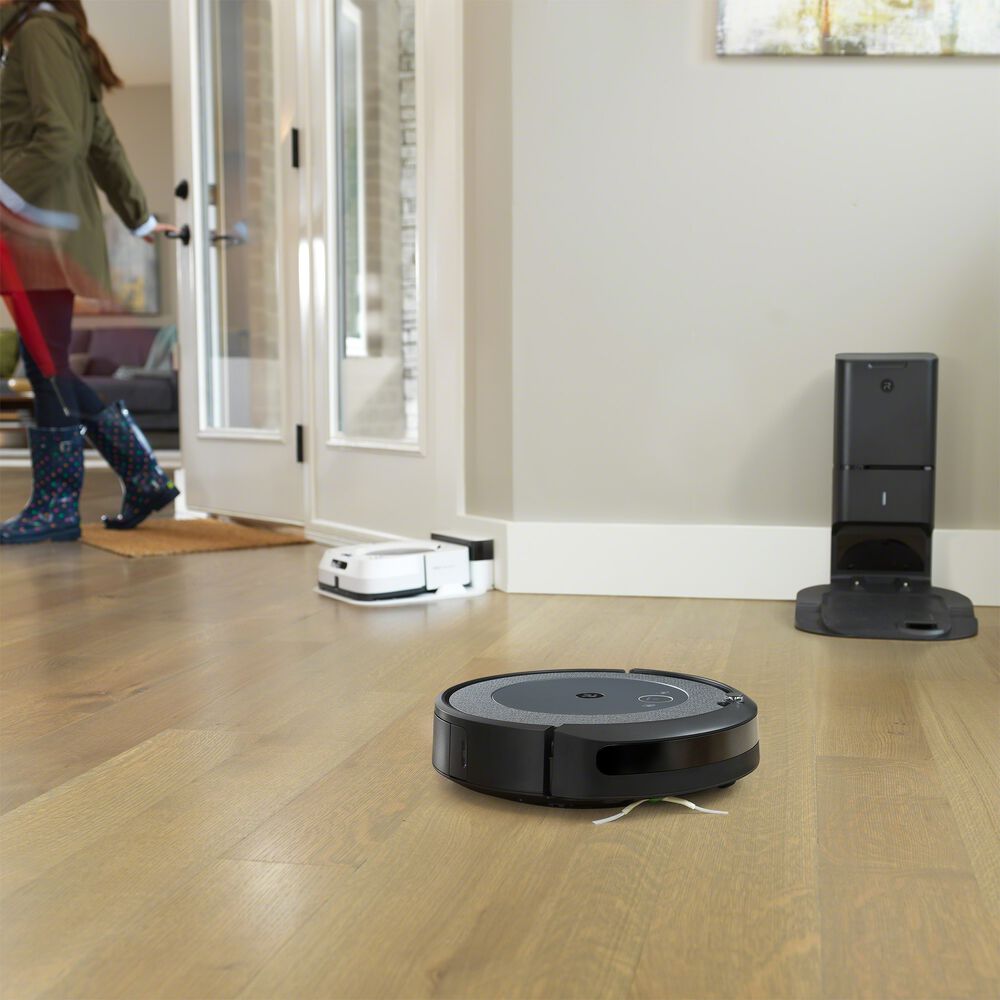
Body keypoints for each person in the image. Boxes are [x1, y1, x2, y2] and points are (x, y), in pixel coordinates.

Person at [0, 0, 179, 544]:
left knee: (48, 366)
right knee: (49, 364)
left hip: (38, 231)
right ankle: (142, 476)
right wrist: (137, 214)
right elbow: (100, 139)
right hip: (45, 229)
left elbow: (63, 137)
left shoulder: (38, 34)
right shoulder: (49, 37)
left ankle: (59, 505)